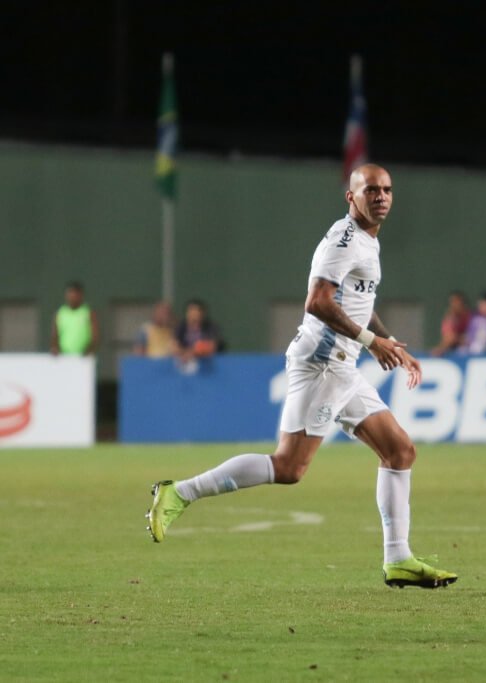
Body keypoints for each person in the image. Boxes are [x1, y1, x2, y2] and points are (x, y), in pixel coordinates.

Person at [146, 164, 457, 588]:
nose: (381, 196)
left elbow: (357, 302)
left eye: (386, 190)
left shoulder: (368, 241)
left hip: (343, 367)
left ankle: (398, 558)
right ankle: (180, 492)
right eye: (371, 190)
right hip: (323, 365)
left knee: (400, 451)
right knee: (289, 467)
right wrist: (371, 342)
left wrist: (390, 342)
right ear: (351, 196)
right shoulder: (344, 241)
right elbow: (318, 301)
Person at [50, 281, 99, 356]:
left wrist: (89, 350)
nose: (72, 297)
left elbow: (95, 336)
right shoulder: (60, 313)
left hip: (83, 358)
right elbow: (54, 335)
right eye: (70, 294)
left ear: (81, 295)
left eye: (75, 294)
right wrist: (55, 348)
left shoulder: (88, 313)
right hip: (64, 357)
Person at [430, 290, 471, 356]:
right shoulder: (450, 317)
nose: (454, 305)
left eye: (457, 302)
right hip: (454, 351)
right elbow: (448, 337)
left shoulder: (471, 318)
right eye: (452, 302)